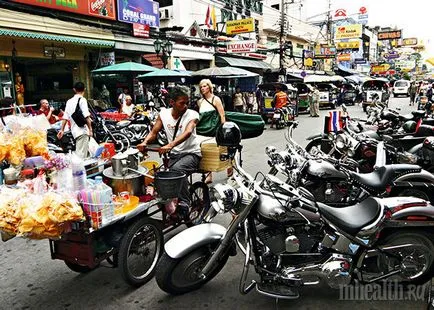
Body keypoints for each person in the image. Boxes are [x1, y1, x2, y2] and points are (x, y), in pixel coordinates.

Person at [137, 85, 201, 219]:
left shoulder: (193, 114)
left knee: (177, 170)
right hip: (174, 155)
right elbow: (154, 132)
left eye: (187, 103)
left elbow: (188, 132)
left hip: (192, 154)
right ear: (172, 102)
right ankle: (167, 206)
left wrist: (170, 145)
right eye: (182, 103)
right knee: (160, 177)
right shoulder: (164, 114)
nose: (185, 106)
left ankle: (184, 203)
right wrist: (144, 142)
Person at [197, 79, 230, 183]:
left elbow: (222, 114)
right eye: (201, 86)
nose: (203, 88)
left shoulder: (216, 99)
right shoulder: (200, 101)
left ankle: (230, 166)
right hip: (203, 130)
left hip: (214, 129)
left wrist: (223, 128)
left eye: (205, 86)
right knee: (205, 151)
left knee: (224, 148)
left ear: (209, 87)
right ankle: (208, 175)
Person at [57, 82, 92, 159]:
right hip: (82, 131)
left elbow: (65, 117)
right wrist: (90, 129)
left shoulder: (69, 101)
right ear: (85, 89)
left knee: (83, 153)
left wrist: (62, 130)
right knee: (81, 157)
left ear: (74, 90)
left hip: (74, 132)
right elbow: (86, 116)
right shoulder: (82, 100)